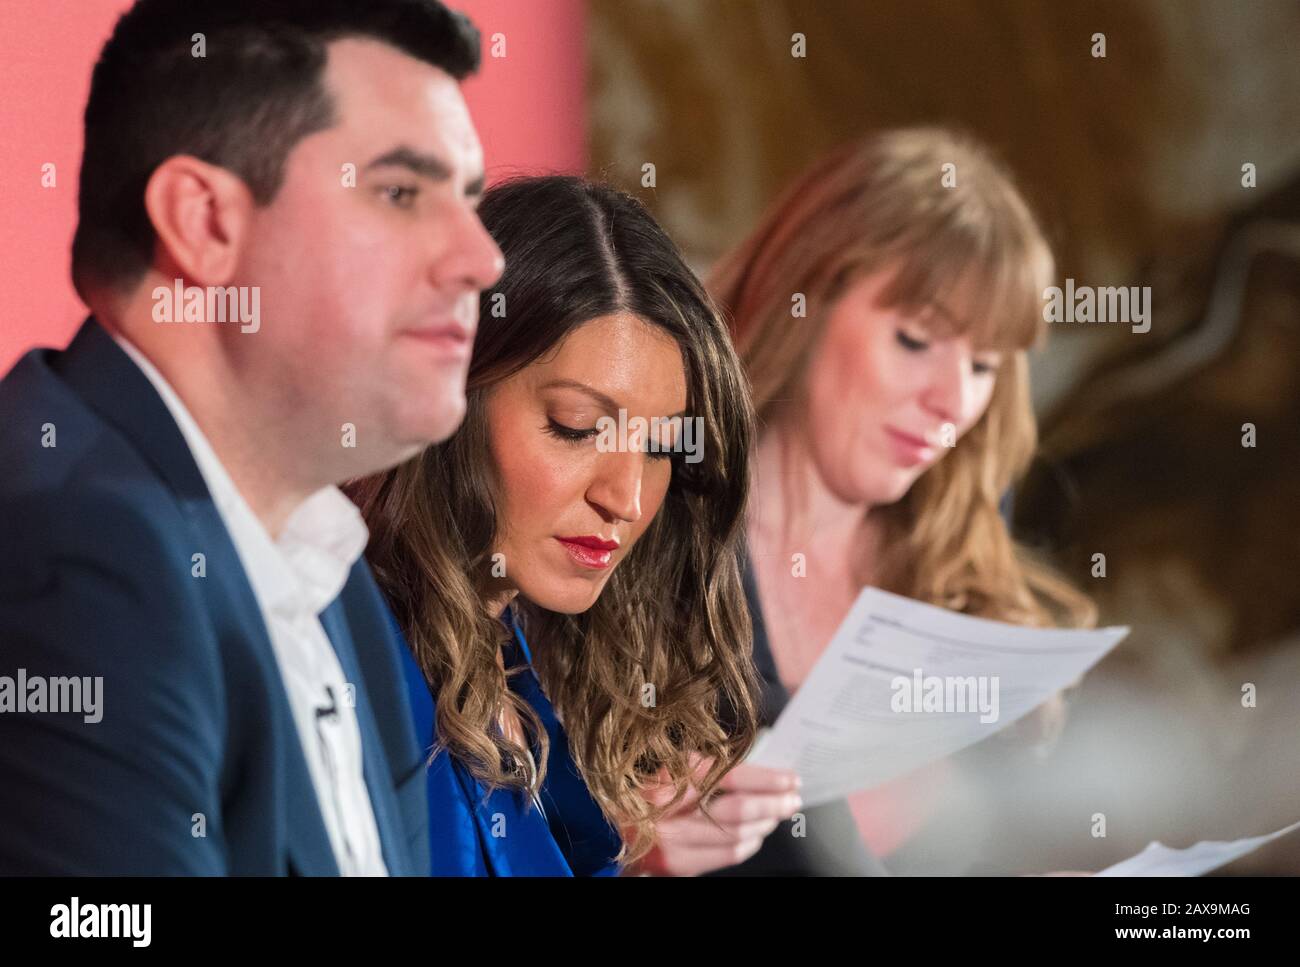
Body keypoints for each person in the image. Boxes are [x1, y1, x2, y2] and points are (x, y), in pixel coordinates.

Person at [0, 0, 502, 875]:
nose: (481, 258)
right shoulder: (73, 553)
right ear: (203, 223)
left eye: (468, 201)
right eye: (400, 193)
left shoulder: (328, 567)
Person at [642, 128, 1096, 876]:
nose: (953, 402)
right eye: (917, 340)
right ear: (805, 303)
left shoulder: (967, 531)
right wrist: (629, 851)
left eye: (983, 364)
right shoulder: (647, 511)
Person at [348, 175, 767, 875]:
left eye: (660, 445)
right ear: (452, 397)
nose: (626, 497)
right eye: (578, 428)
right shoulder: (347, 661)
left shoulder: (524, 671)